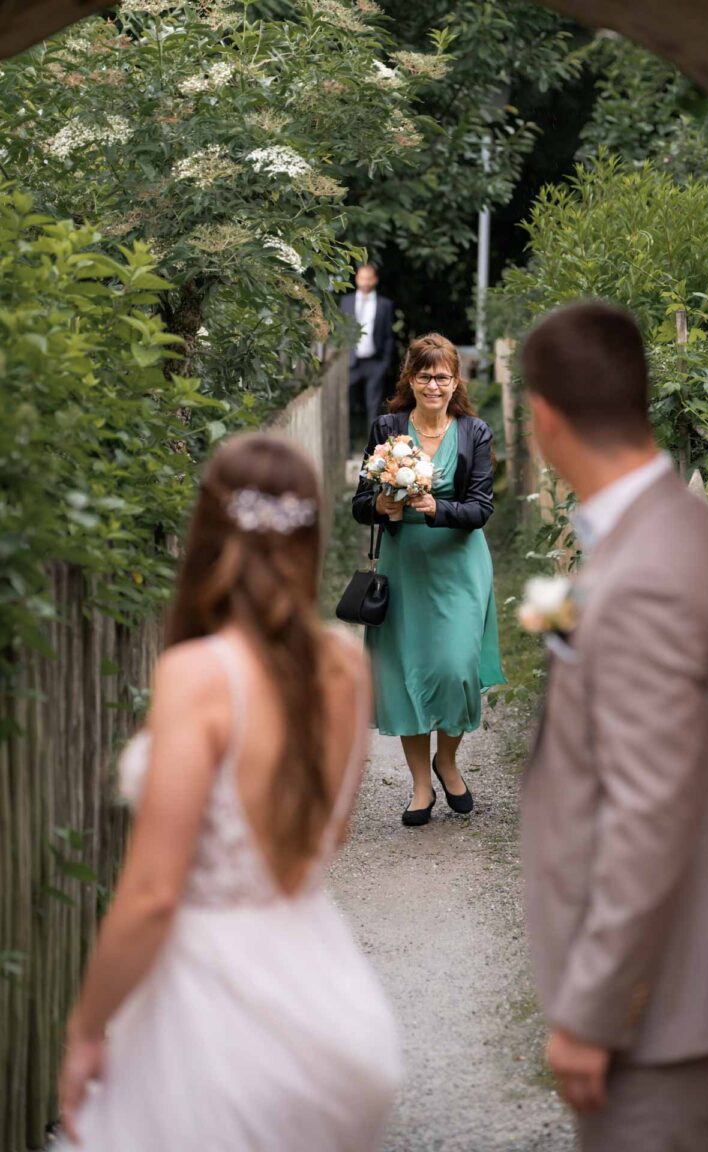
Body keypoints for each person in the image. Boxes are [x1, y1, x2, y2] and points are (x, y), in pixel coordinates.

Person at [56, 433, 401, 1152]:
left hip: (213, 1023)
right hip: (332, 1008)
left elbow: (153, 893)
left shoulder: (198, 675)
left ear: (207, 533)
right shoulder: (346, 668)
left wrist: (88, 1029)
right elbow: (324, 837)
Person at [519, 300, 708, 1152]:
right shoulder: (686, 531)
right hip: (684, 986)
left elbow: (649, 814)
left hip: (657, 1006)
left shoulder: (645, 577)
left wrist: (591, 1012)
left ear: (543, 417)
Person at [352, 333, 505, 827]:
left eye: (442, 376)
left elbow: (481, 508)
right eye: (424, 375)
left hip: (459, 563)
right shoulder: (388, 427)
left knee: (456, 667)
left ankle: (448, 759)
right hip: (405, 564)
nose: (433, 384)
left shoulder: (474, 432)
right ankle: (421, 785)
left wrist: (438, 508)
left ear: (455, 380)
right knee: (407, 672)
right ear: (410, 379)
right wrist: (381, 503)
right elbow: (359, 504)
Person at [341, 263, 394, 445]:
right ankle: (345, 447)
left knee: (374, 406)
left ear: (375, 280)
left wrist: (384, 363)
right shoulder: (346, 302)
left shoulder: (384, 304)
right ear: (356, 279)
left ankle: (372, 447)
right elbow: (341, 332)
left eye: (369, 277)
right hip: (351, 362)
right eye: (362, 277)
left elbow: (388, 335)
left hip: (375, 362)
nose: (365, 281)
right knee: (346, 405)